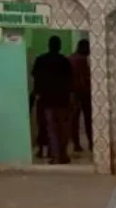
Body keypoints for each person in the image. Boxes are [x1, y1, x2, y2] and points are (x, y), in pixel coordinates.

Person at [32, 35, 74, 165]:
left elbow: (36, 79)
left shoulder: (40, 60)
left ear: (49, 45)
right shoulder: (64, 61)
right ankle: (63, 154)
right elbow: (70, 81)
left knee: (51, 129)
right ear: (59, 46)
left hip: (47, 100)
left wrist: (37, 95)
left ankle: (56, 156)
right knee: (63, 129)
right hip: (63, 100)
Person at [71, 38, 93, 153]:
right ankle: (91, 143)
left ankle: (76, 144)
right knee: (88, 119)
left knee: (74, 120)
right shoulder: (81, 60)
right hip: (83, 93)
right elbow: (85, 78)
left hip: (73, 93)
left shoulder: (70, 58)